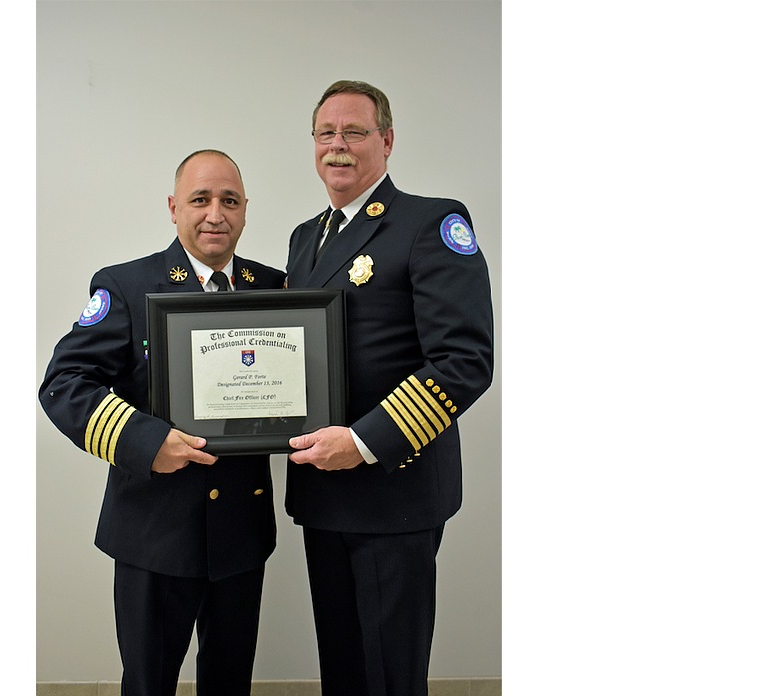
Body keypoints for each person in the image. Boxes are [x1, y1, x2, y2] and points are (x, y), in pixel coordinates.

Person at [39, 150, 285, 696]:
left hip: (241, 534)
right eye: (200, 200)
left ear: (246, 211)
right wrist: (146, 441)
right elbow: (64, 384)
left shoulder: (276, 288)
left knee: (230, 683)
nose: (214, 214)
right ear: (174, 208)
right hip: (153, 534)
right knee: (149, 684)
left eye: (229, 201)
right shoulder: (126, 286)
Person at [284, 81, 495, 695]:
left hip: (392, 490)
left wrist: (365, 440)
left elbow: (463, 360)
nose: (338, 147)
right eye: (327, 134)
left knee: (389, 676)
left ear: (387, 141)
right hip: (322, 486)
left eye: (354, 132)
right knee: (344, 669)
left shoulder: (431, 222)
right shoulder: (305, 237)